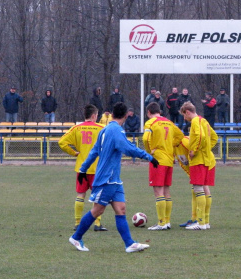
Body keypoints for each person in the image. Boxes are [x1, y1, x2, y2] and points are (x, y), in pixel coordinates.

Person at [69, 102, 159, 253]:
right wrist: (149, 157)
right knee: (97, 210)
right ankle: (76, 237)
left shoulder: (104, 130)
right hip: (107, 178)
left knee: (121, 209)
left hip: (114, 179)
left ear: (111, 114)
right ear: (125, 115)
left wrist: (83, 170)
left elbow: (93, 152)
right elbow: (128, 148)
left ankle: (129, 244)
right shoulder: (116, 130)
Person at [58, 105, 107, 231]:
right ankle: (97, 224)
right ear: (94, 116)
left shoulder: (76, 128)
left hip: (82, 168)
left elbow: (61, 142)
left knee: (80, 195)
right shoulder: (102, 128)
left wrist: (73, 152)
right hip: (97, 168)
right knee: (98, 197)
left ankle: (78, 222)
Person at [143, 102, 183, 230]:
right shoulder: (169, 122)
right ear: (159, 111)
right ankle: (167, 221)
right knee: (166, 190)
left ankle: (161, 222)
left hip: (158, 160)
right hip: (169, 159)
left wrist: (149, 151)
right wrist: (171, 145)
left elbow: (145, 138)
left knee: (158, 191)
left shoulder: (150, 123)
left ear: (149, 112)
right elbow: (180, 136)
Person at [180, 102, 217, 230]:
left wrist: (194, 150)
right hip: (207, 159)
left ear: (188, 112)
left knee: (198, 188)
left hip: (198, 160)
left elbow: (200, 136)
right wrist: (206, 149)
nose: (184, 119)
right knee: (205, 188)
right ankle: (205, 221)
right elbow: (214, 137)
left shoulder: (195, 121)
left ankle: (200, 223)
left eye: (184, 115)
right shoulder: (204, 121)